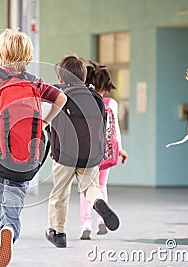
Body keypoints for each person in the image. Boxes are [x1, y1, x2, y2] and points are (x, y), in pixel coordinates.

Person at [0, 28, 67, 266]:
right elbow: (62, 98)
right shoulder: (35, 82)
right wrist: (44, 123)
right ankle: (9, 227)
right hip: (27, 150)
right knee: (16, 191)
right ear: (28, 56)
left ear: (2, 53)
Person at [45, 55, 120, 249]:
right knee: (90, 186)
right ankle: (97, 201)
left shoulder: (58, 93)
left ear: (61, 77)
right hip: (90, 154)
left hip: (64, 154)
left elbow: (48, 119)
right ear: (84, 75)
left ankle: (58, 232)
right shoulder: (94, 96)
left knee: (59, 193)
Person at [78, 61, 128, 239]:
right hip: (105, 152)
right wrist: (120, 149)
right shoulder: (111, 103)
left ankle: (86, 223)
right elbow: (115, 130)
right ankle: (101, 220)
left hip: (87, 153)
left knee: (85, 188)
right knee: (101, 186)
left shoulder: (83, 100)